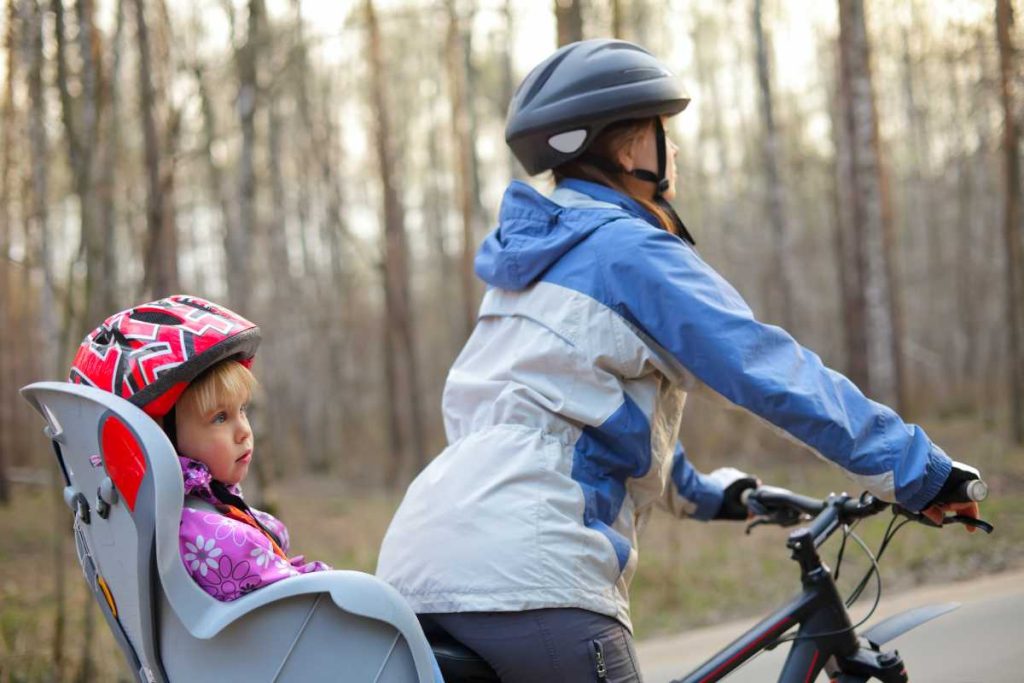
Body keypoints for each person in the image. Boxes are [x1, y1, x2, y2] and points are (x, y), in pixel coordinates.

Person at [376, 39, 983, 682]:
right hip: (530, 575)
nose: (675, 151)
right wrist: (918, 469)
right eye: (665, 132)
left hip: (416, 573)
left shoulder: (522, 272)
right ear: (632, 146)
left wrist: (721, 497)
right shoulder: (628, 251)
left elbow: (571, 428)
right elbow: (768, 368)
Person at [69, 294, 329, 601]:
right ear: (159, 435)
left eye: (241, 410)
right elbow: (311, 608)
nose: (244, 431)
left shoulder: (182, 518)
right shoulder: (217, 541)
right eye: (220, 417)